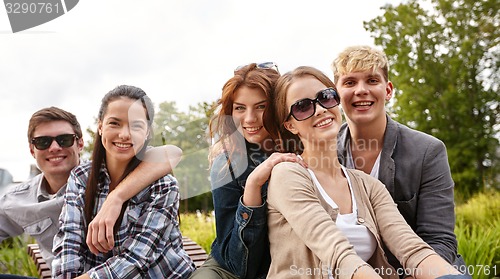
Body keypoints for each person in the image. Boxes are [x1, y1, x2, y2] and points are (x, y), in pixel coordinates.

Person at [267, 66, 466, 279]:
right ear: (290, 125)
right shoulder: (288, 175)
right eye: (302, 107)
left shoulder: (367, 185)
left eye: (326, 97)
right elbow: (339, 256)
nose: (320, 110)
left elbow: (412, 249)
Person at [331, 45, 467, 277]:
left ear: (388, 90)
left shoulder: (428, 151)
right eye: (350, 82)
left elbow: (440, 240)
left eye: (372, 80)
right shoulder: (323, 151)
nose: (361, 90)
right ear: (335, 94)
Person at [0, 106, 177, 279]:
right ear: (32, 150)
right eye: (43, 142)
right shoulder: (18, 199)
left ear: (80, 143)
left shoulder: (109, 174)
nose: (54, 148)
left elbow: (171, 153)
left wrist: (116, 196)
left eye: (64, 139)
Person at [52, 85, 195, 278]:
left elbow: (136, 260)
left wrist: (115, 198)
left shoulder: (163, 185)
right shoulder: (81, 177)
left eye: (136, 125)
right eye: (114, 123)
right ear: (100, 126)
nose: (124, 134)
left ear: (147, 132)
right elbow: (68, 242)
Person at [189, 63, 301, 279]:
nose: (249, 119)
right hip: (231, 266)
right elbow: (238, 264)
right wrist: (253, 185)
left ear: (278, 106)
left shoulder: (302, 146)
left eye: (261, 106)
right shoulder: (227, 162)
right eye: (240, 108)